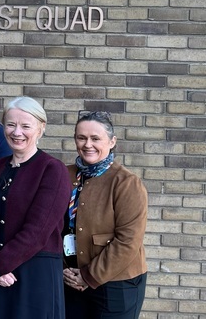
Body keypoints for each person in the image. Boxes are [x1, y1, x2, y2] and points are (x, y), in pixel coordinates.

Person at [0, 96, 71, 319]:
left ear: (40, 129)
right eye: (11, 124)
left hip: (34, 277)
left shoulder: (53, 170)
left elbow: (38, 230)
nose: (17, 132)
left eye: (26, 126)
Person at [62, 111, 148, 319]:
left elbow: (128, 240)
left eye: (95, 138)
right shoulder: (64, 174)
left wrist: (88, 276)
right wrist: (63, 269)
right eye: (81, 138)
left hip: (117, 285)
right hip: (71, 280)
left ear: (112, 142)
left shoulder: (126, 183)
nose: (87, 144)